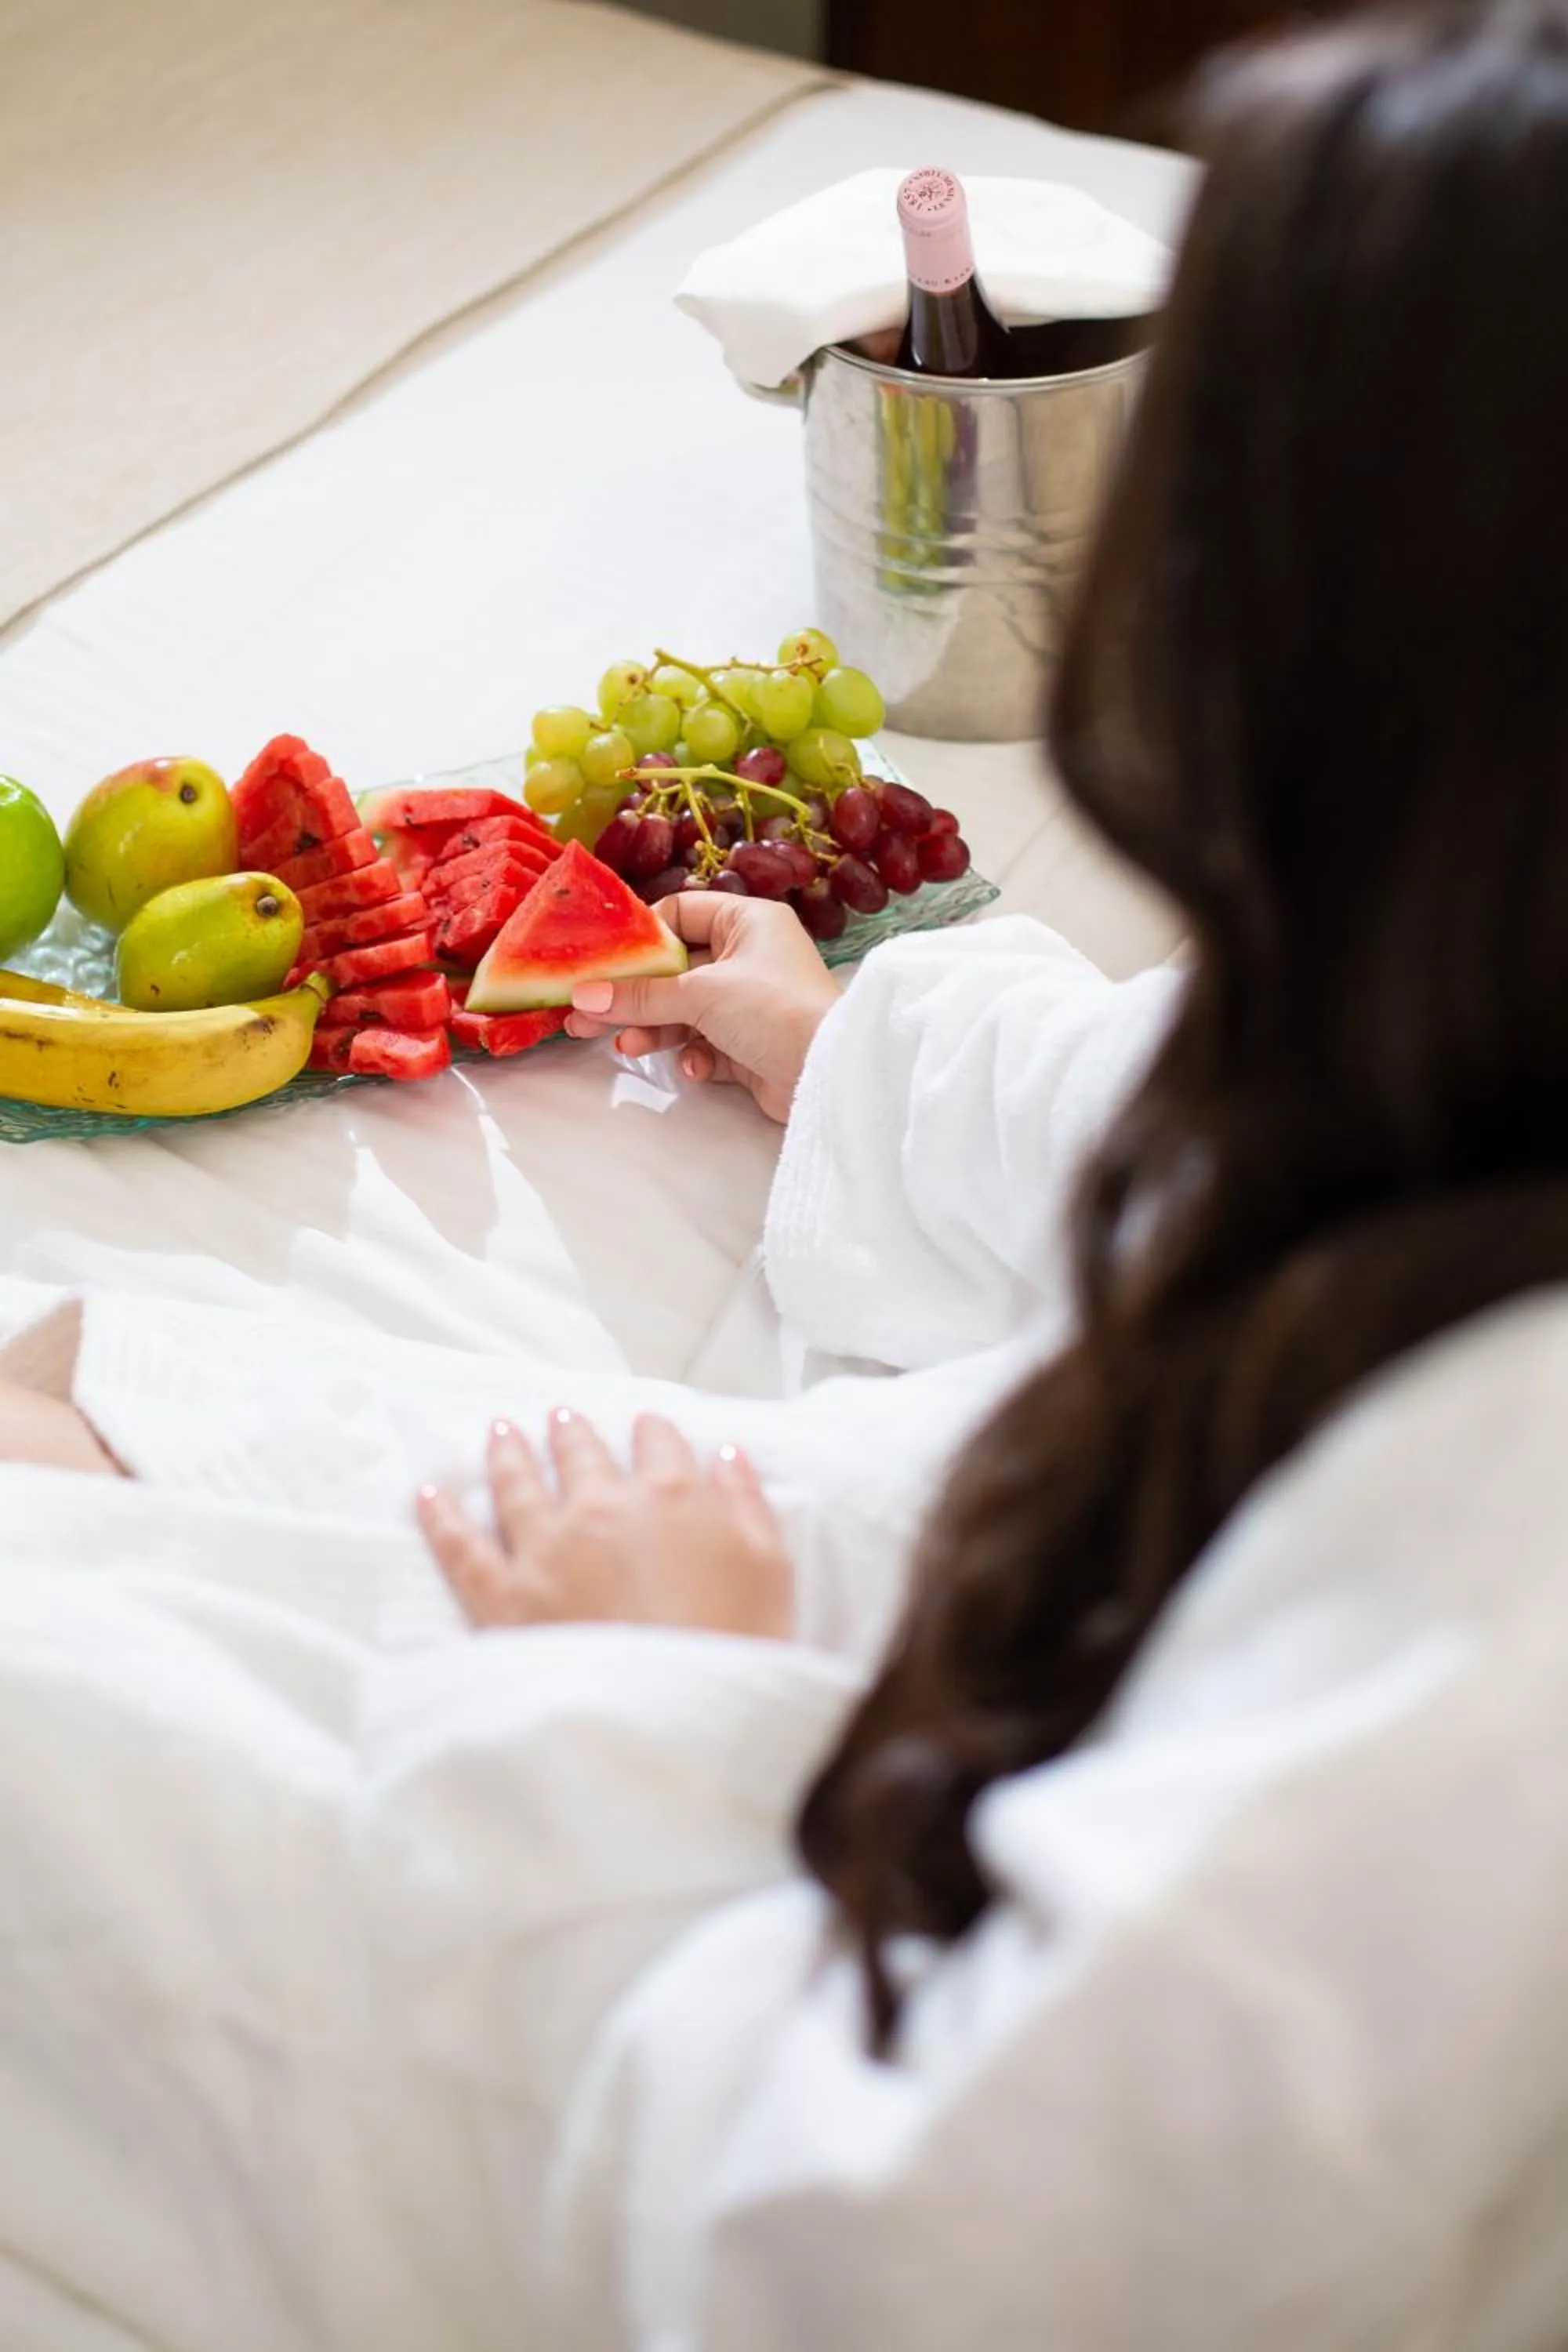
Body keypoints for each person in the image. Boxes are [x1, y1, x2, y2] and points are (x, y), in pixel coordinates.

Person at [2, 5, 1568, 2346]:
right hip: (943, 1601)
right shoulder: (1475, 1065)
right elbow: (1214, 1124)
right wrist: (858, 1049)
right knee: (82, 1369)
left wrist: (642, 1687)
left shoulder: (1493, 1646)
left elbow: (887, 2260)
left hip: (717, 1969)